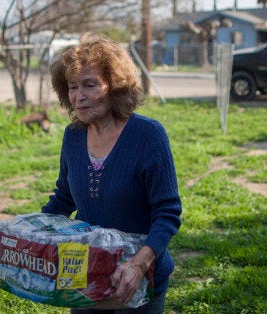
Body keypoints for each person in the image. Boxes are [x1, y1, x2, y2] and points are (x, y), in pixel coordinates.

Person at [42, 32, 182, 313]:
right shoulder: (73, 135)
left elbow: (167, 213)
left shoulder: (148, 136)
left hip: (141, 275)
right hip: (85, 272)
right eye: (72, 87)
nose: (79, 97)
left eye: (90, 85)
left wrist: (138, 265)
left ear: (115, 86)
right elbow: (64, 197)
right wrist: (32, 230)